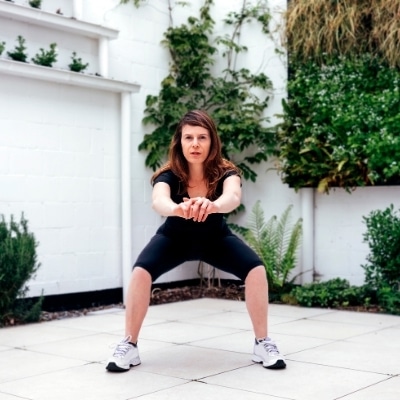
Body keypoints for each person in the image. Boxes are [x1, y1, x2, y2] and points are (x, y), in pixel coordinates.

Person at [106, 109, 286, 372]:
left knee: (256, 270)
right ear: (179, 141)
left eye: (202, 137)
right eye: (188, 137)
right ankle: (129, 346)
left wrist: (211, 205)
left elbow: (233, 198)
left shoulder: (227, 171)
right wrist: (178, 209)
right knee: (140, 272)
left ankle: (262, 342)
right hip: (174, 238)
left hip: (215, 238)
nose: (195, 144)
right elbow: (159, 200)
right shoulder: (168, 173)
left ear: (212, 141)